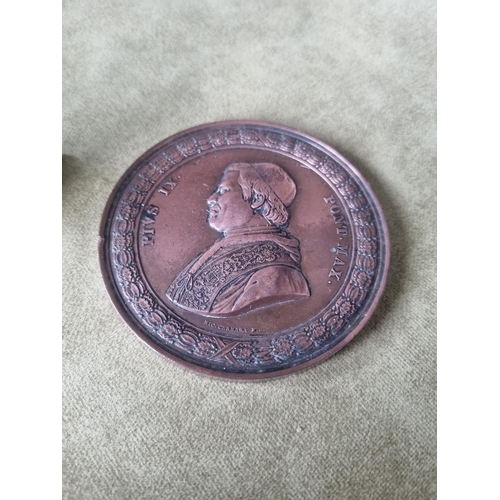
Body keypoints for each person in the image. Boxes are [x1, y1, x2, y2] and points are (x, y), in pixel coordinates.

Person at [166, 162, 310, 317]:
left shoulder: (277, 273)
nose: (211, 199)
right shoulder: (222, 248)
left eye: (224, 190)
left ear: (257, 199)